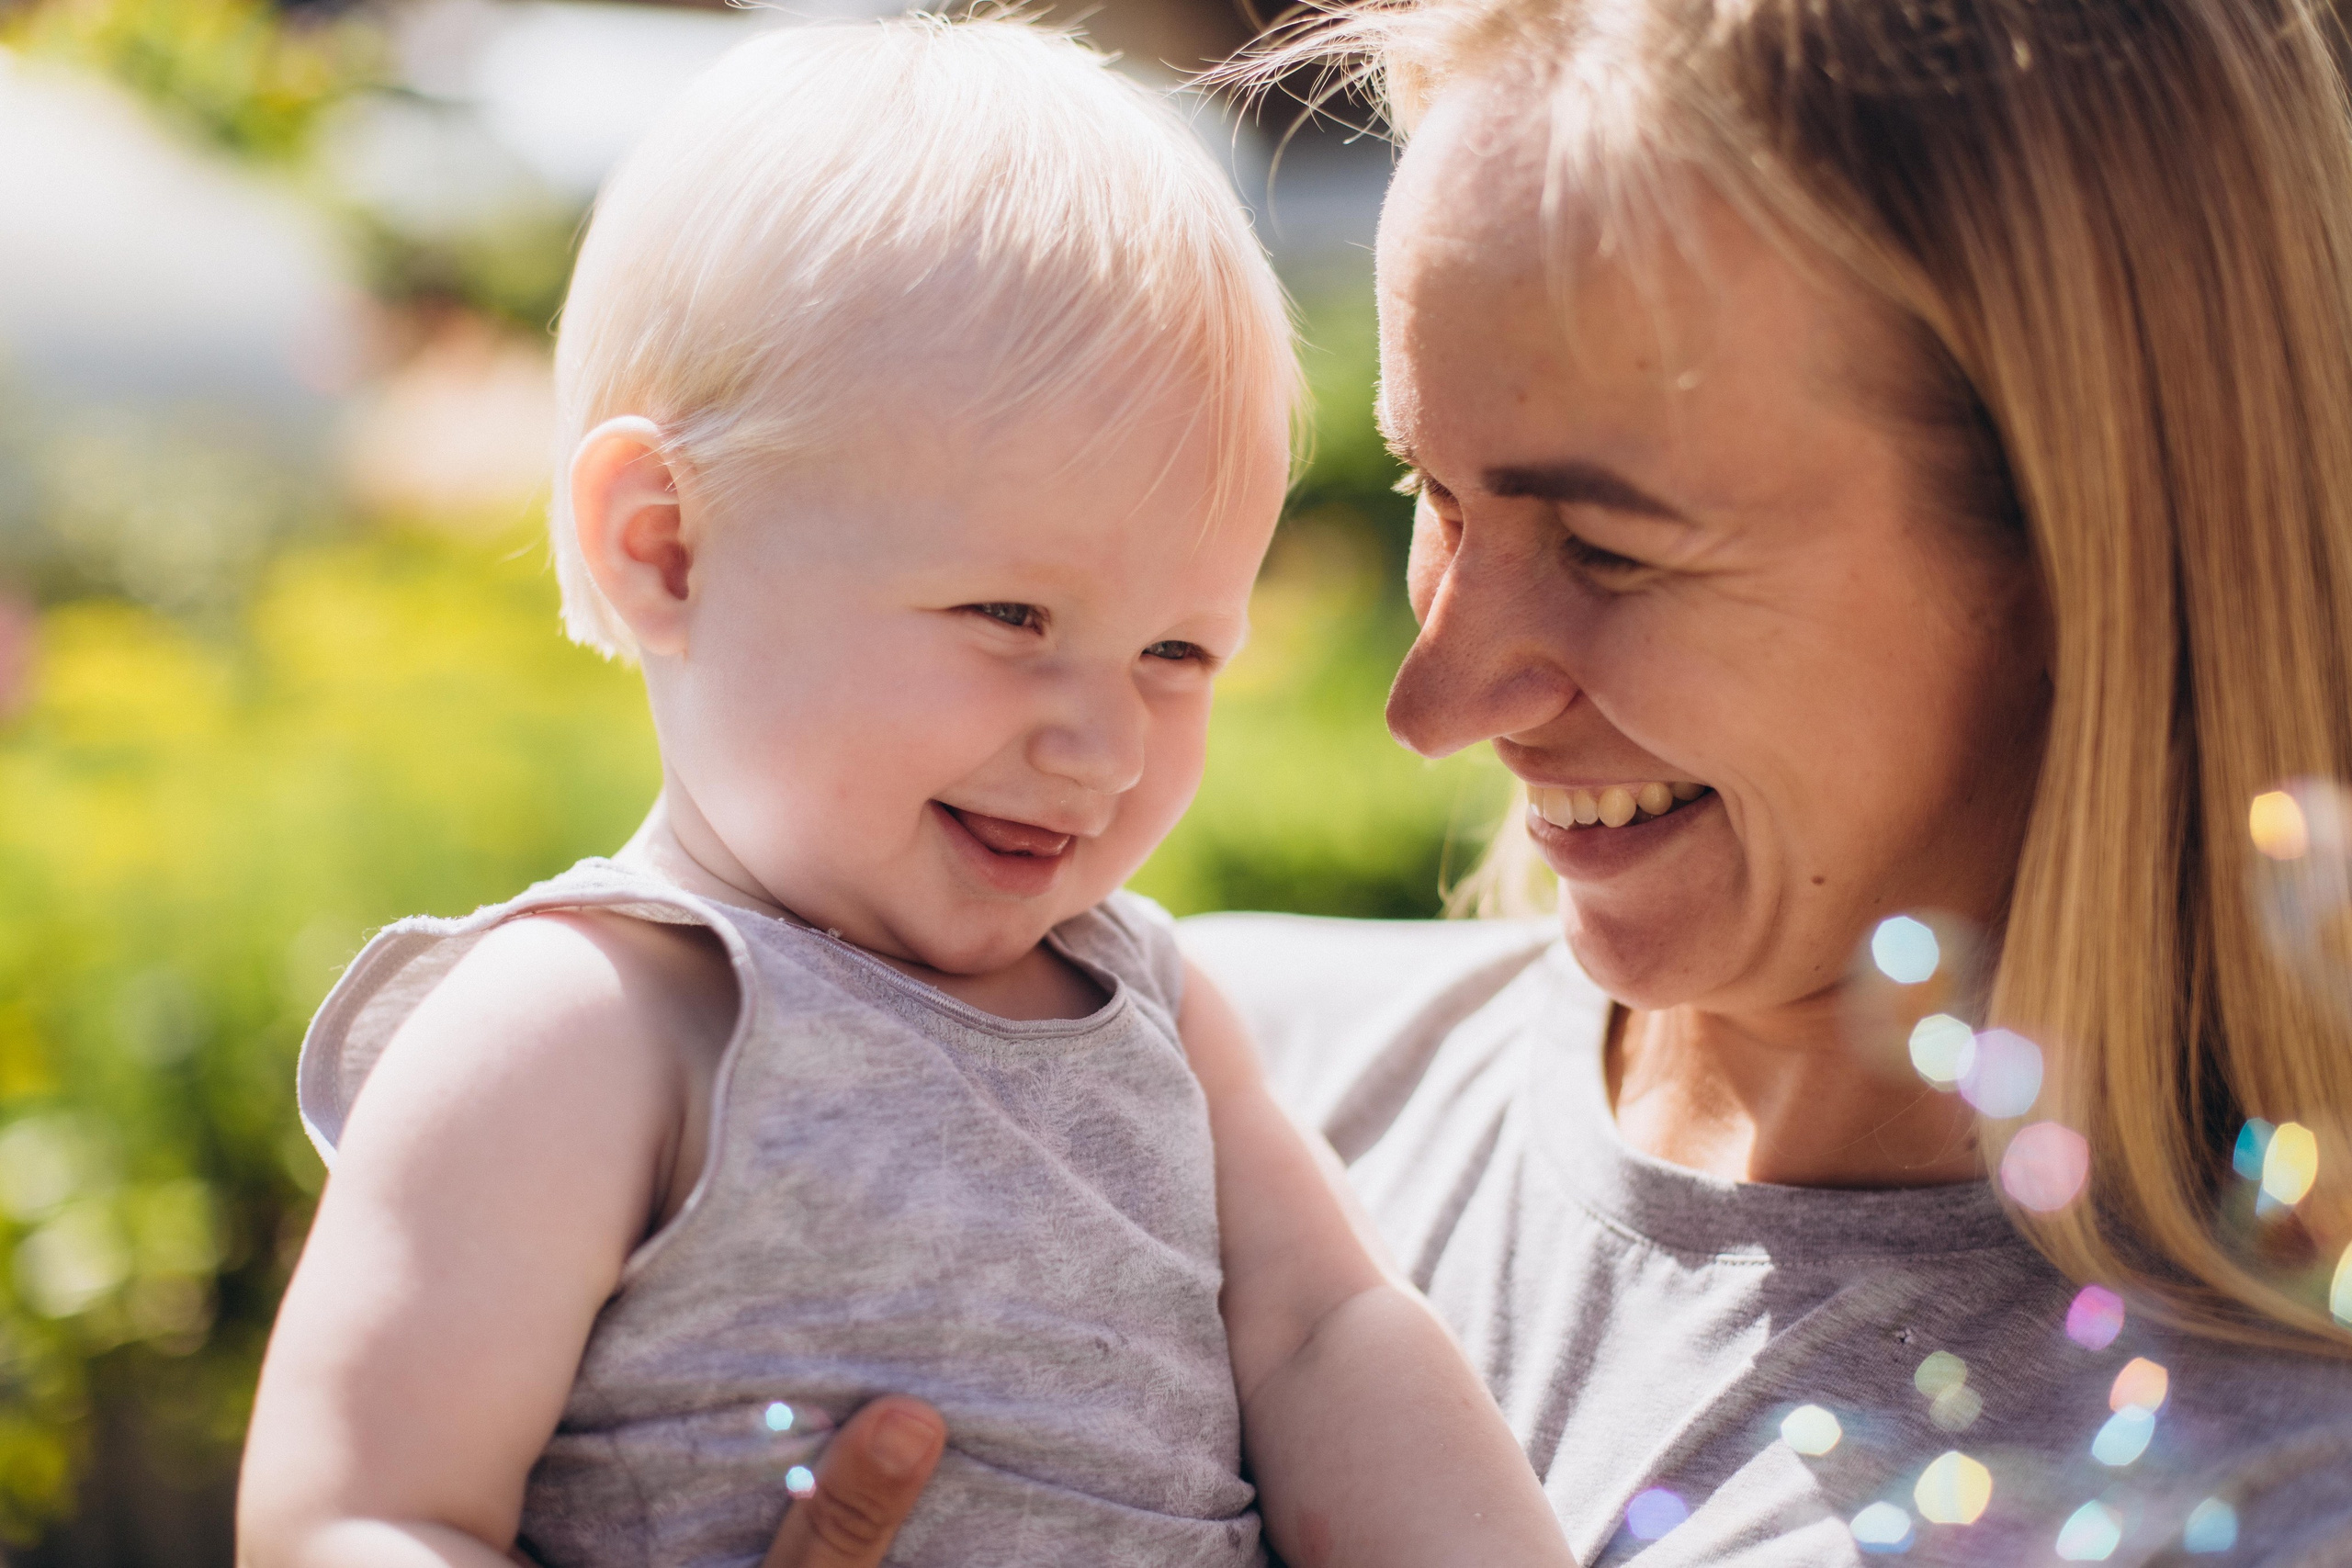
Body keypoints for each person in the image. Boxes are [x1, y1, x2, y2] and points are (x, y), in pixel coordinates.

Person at [772, 0, 2352, 1562]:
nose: (1435, 705)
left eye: (1611, 548)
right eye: (1432, 494)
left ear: (2095, 567)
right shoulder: (1161, 1093)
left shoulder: (2279, 1498)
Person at [232, 17, 1576, 1568]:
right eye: (1011, 619)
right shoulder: (588, 1028)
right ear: (666, 547)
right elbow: (359, 1516)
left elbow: (1331, 1337)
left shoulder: (1150, 1008)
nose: (1104, 746)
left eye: (1178, 650)